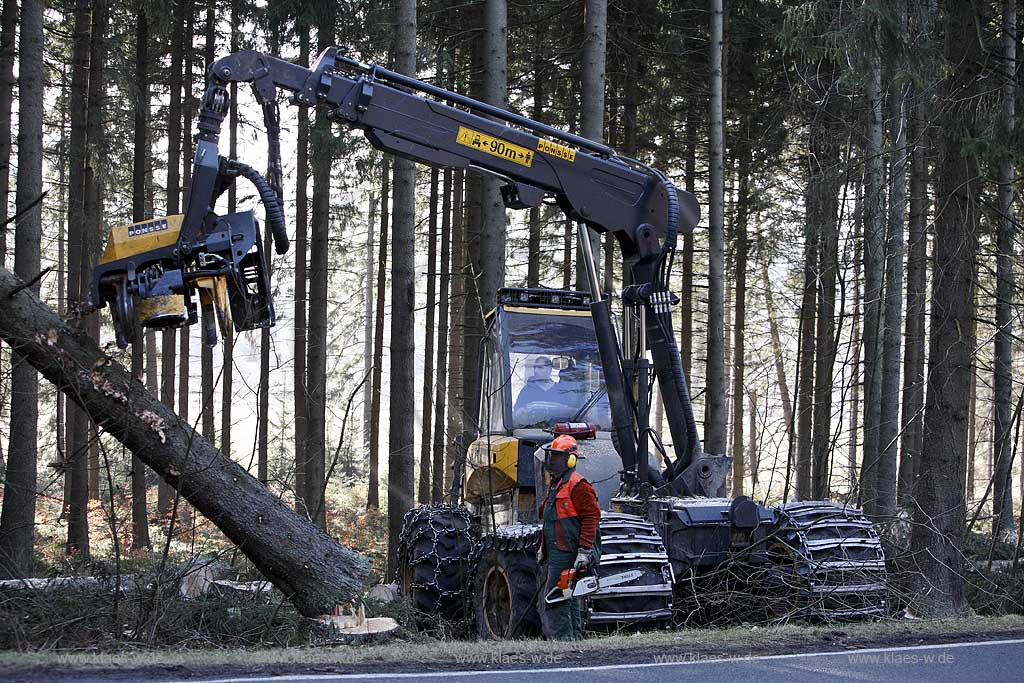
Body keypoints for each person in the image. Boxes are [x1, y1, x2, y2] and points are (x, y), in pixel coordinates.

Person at [536, 434, 601, 640]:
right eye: (551, 457)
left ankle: (562, 641)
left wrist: (584, 550)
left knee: (554, 598)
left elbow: (592, 517)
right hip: (556, 551)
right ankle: (573, 639)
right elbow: (550, 522)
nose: (552, 462)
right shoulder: (556, 485)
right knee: (567, 596)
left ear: (570, 460)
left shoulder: (578, 485)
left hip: (568, 552)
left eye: (557, 457)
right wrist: (543, 548)